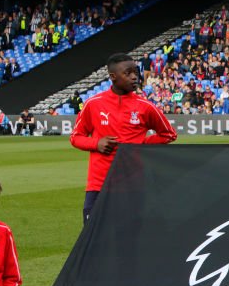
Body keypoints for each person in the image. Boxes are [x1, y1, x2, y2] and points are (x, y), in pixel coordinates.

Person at [70, 53, 177, 224]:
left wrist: (141, 144)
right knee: (92, 241)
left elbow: (169, 134)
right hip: (99, 185)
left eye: (135, 72)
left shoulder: (146, 107)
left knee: (129, 241)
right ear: (113, 77)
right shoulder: (93, 104)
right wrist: (96, 143)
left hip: (133, 185)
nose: (134, 77)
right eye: (128, 73)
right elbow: (76, 137)